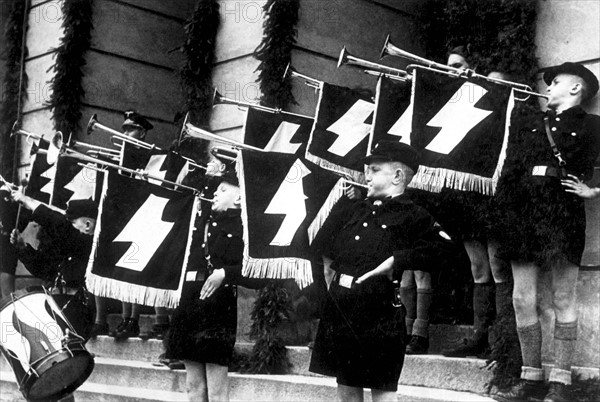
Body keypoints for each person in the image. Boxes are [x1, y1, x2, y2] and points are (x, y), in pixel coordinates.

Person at [309, 141, 451, 402]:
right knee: (346, 386)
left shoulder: (412, 213)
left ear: (397, 176)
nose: (367, 176)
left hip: (378, 308)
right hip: (342, 305)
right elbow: (320, 244)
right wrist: (342, 201)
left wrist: (397, 261)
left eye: (374, 170)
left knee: (382, 390)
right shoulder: (356, 207)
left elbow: (445, 251)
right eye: (367, 171)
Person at [492, 62, 600, 402]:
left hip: (562, 211)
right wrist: (503, 215)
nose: (548, 86)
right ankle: (532, 377)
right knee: (522, 298)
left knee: (563, 297)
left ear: (575, 89)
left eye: (555, 82)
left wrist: (594, 189)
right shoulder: (530, 123)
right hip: (524, 213)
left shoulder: (594, 124)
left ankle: (561, 382)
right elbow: (509, 169)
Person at [164, 170, 247, 402]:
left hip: (217, 305)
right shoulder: (199, 220)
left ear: (239, 199)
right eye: (216, 190)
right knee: (193, 386)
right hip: (189, 299)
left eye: (223, 190)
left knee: (217, 389)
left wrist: (225, 273)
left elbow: (255, 271)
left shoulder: (242, 226)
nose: (216, 194)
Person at [91, 110, 155, 339]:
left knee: (133, 267)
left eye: (132, 129)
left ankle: (133, 319)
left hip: (140, 214)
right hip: (119, 214)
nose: (126, 133)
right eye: (124, 129)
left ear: (143, 132)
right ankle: (123, 318)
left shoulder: (151, 154)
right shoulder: (122, 153)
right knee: (119, 266)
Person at [7, 188, 97, 341]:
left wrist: (28, 201)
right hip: (57, 305)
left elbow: (61, 226)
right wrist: (23, 249)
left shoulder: (88, 243)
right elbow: (45, 269)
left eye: (73, 223)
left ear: (87, 225)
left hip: (77, 310)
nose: (68, 227)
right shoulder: (68, 246)